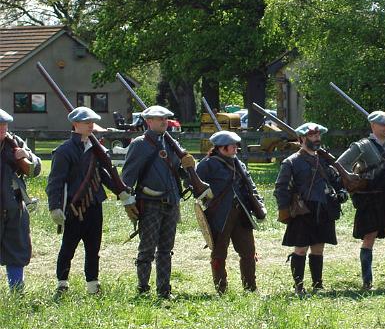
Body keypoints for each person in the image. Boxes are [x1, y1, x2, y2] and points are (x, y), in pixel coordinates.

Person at [46, 107, 131, 295]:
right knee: (68, 248)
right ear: (75, 124)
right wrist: (55, 207)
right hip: (74, 207)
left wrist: (121, 191)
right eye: (86, 122)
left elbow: (104, 175)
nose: (90, 125)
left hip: (94, 205)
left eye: (92, 122)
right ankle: (62, 283)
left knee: (94, 248)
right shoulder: (64, 151)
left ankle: (93, 284)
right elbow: (55, 181)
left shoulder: (96, 149)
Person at [121, 105, 200, 298]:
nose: (164, 121)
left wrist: (189, 166)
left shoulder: (171, 143)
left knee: (166, 249)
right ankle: (143, 288)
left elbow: (177, 172)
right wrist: (127, 200)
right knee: (147, 249)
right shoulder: (139, 144)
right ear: (149, 121)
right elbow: (128, 177)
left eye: (165, 118)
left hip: (171, 201)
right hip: (149, 203)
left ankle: (164, 290)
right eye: (158, 118)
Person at [337, 111, 385, 289]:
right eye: (382, 125)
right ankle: (367, 281)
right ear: (373, 125)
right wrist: (353, 178)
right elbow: (341, 163)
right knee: (369, 237)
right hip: (370, 199)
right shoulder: (362, 146)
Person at [274, 122, 348, 295]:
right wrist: (286, 210)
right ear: (302, 139)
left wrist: (342, 191)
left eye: (318, 135)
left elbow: (335, 180)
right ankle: (299, 286)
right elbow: (281, 188)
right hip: (303, 211)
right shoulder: (291, 162)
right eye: (313, 135)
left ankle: (317, 285)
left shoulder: (324, 159)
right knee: (300, 249)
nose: (317, 138)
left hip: (323, 208)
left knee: (318, 248)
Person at [196, 130, 264, 293]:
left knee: (248, 252)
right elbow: (193, 183)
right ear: (222, 148)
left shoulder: (238, 163)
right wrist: (208, 198)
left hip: (241, 213)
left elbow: (250, 184)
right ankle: (221, 289)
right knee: (219, 253)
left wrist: (259, 203)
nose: (236, 149)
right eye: (232, 146)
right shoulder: (207, 164)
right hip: (220, 214)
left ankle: (250, 288)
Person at [0, 108, 41, 291]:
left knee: (17, 251)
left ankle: (17, 293)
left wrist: (27, 156)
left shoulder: (14, 142)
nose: (3, 128)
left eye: (4, 125)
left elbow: (36, 169)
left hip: (14, 207)